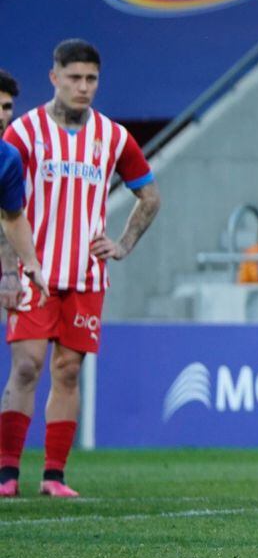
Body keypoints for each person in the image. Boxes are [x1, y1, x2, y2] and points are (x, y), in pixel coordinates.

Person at [2, 39, 160, 498]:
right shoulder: (24, 131)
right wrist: (9, 270)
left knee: (68, 371)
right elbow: (5, 210)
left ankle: (54, 475)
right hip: (35, 273)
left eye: (91, 78)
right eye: (74, 77)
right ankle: (7, 471)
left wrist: (123, 243)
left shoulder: (112, 137)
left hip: (86, 275)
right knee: (28, 366)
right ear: (54, 77)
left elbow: (150, 196)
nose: (83, 87)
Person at [0, 69, 48, 317]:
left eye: (6, 107)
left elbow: (11, 218)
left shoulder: (8, 158)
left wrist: (30, 264)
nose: (1, 116)